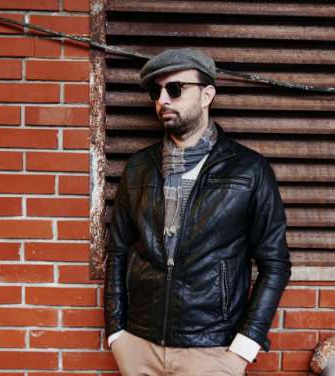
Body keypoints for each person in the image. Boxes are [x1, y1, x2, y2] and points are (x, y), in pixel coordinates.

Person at [104, 48, 291, 376]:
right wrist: (117, 332)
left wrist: (245, 346)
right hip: (139, 345)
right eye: (156, 91)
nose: (163, 99)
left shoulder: (249, 170)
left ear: (207, 95)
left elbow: (275, 264)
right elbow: (118, 251)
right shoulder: (138, 169)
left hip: (211, 350)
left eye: (175, 89)